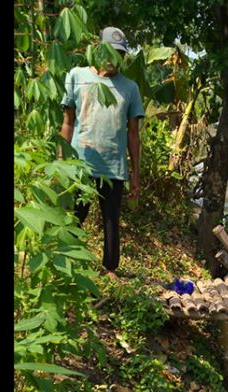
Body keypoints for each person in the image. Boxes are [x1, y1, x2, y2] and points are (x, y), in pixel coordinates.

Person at [59, 27, 144, 281]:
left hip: (113, 166)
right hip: (80, 163)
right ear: (98, 49)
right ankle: (69, 263)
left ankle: (109, 270)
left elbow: (133, 134)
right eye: (111, 51)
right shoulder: (77, 76)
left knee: (110, 219)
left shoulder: (130, 88)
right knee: (74, 216)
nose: (115, 58)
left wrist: (135, 174)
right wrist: (61, 161)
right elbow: (68, 122)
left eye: (120, 53)